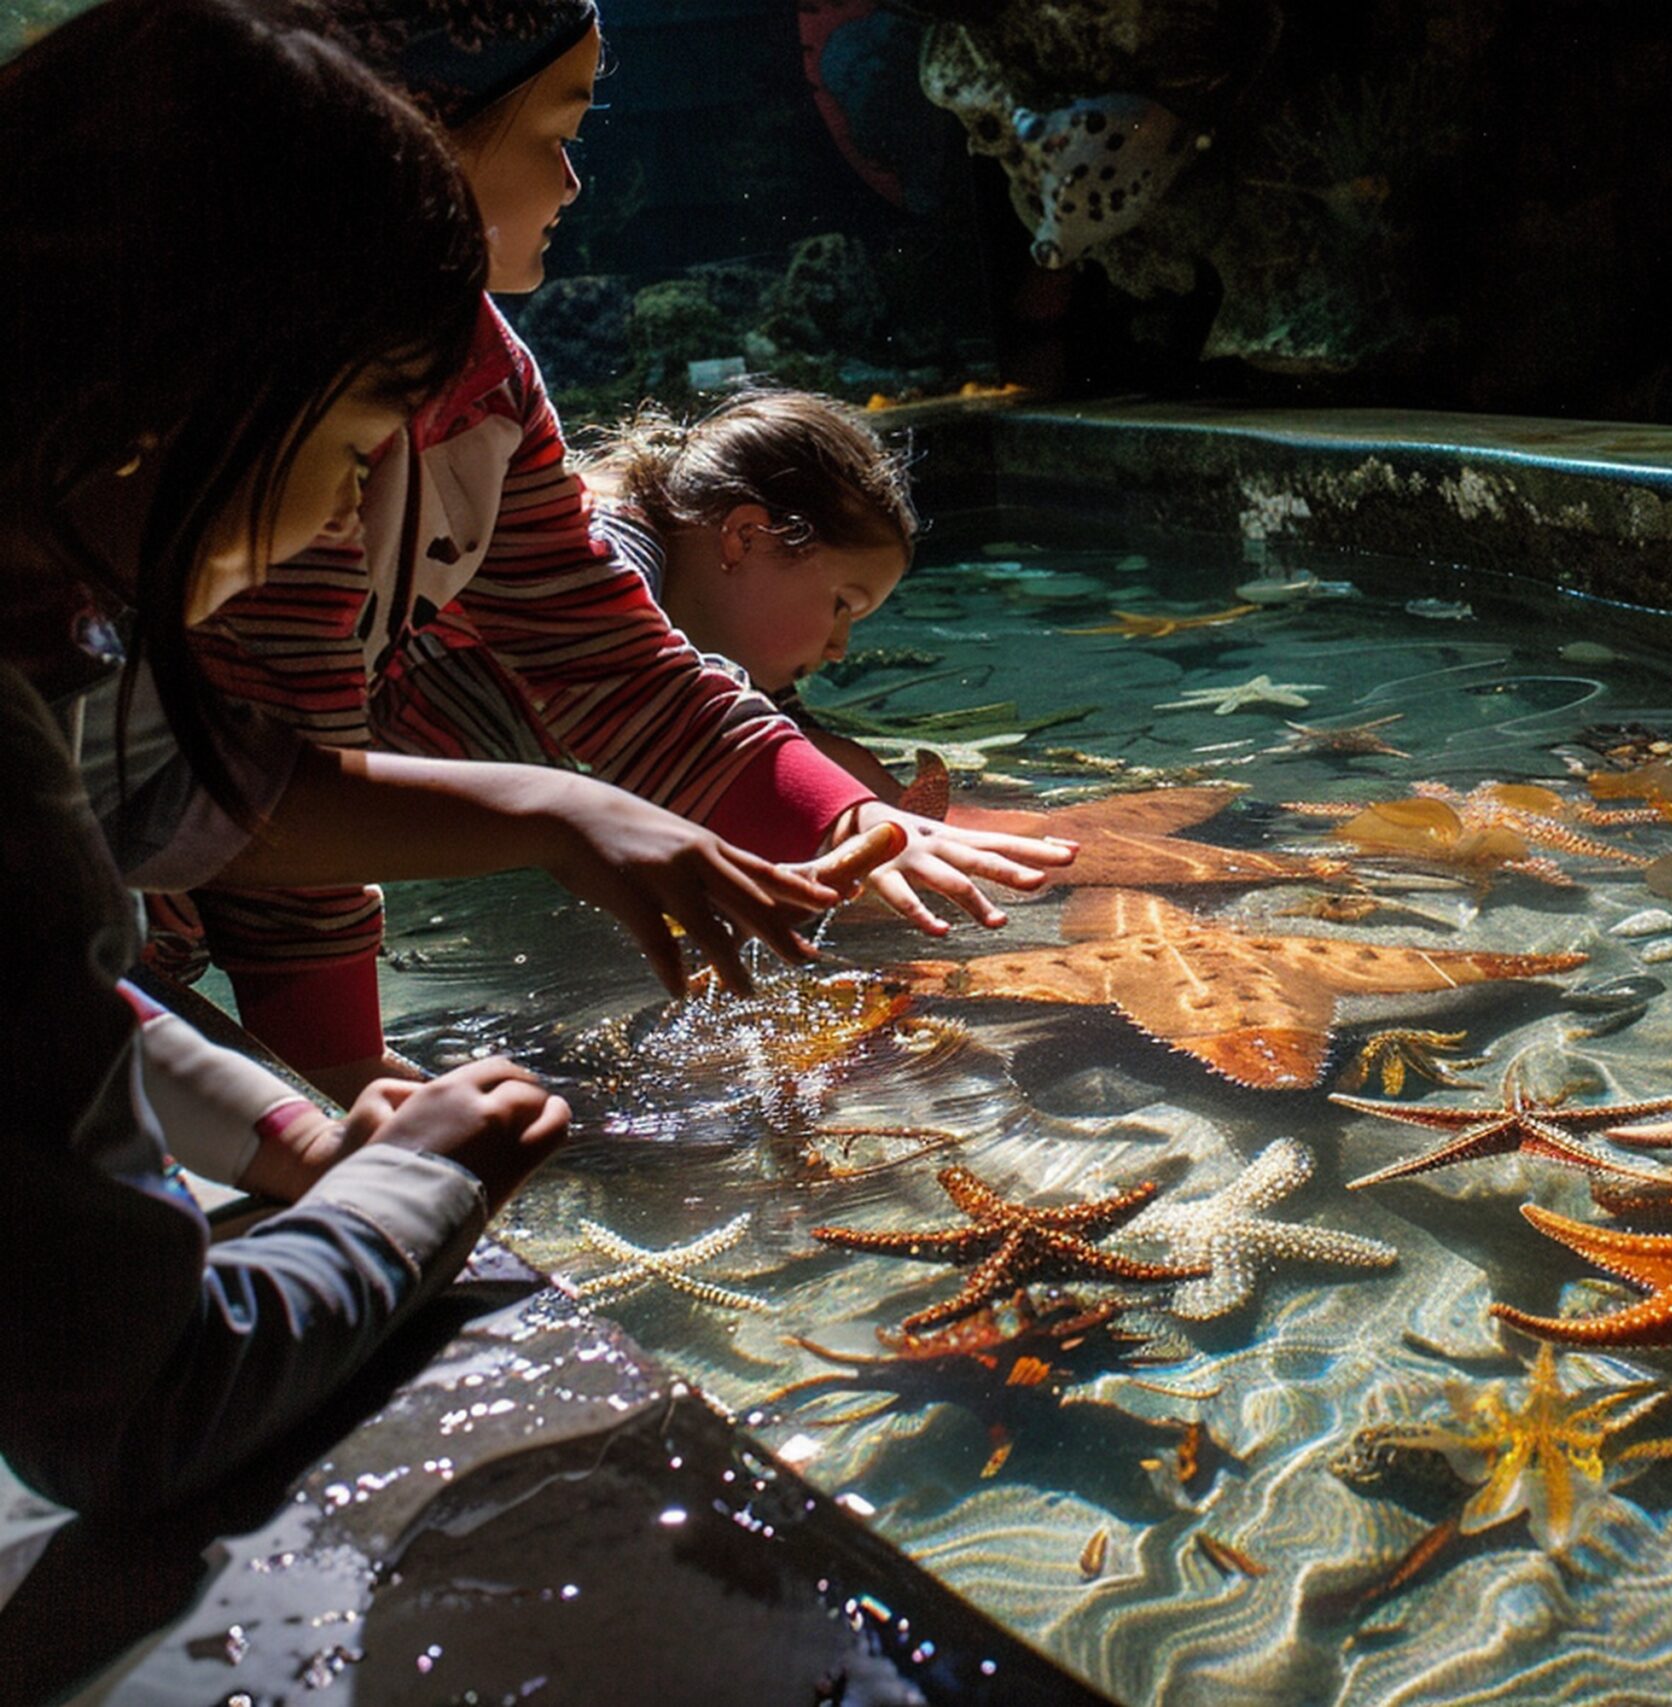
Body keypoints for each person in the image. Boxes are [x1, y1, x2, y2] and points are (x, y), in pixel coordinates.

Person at [0, 0, 879, 1515]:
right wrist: (429, 1176)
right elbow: (137, 1403)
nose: (339, 511)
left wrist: (287, 1130)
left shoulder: (47, 627)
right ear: (195, 392)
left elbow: (63, 968)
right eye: (351, 451)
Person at [179, 0, 1074, 1100]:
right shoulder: (302, 397)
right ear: (407, 134)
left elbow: (617, 665)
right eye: (557, 137)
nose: (573, 186)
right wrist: (341, 1083)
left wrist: (847, 813)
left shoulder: (485, 373)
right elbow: (275, 796)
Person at [576, 392, 920, 797]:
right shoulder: (606, 557)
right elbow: (668, 728)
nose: (838, 650)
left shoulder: (716, 636)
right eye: (842, 605)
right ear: (748, 538)